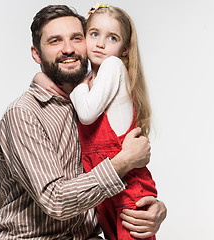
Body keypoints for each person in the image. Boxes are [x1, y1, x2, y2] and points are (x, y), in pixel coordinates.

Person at [0, 4, 166, 240]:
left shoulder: (91, 103)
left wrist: (151, 207)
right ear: (36, 53)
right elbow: (56, 201)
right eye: (55, 41)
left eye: (77, 38)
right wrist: (123, 161)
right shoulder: (24, 113)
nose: (68, 49)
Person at [34, 4, 158, 240]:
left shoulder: (112, 67)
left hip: (126, 190)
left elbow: (87, 113)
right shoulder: (93, 79)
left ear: (124, 49)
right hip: (104, 192)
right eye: (94, 34)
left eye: (112, 38)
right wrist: (40, 77)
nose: (100, 43)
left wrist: (78, 81)